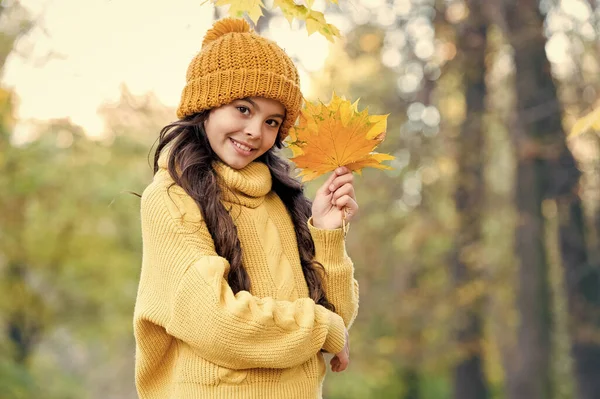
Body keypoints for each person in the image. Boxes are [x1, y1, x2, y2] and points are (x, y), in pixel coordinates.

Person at [133, 17, 359, 399]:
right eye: (243, 109)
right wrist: (324, 327)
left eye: (272, 121)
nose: (256, 130)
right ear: (206, 105)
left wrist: (327, 233)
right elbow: (216, 323)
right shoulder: (172, 198)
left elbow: (339, 315)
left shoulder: (281, 200)